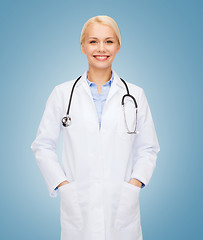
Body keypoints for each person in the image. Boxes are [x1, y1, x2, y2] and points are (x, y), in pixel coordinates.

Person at [31, 15, 160, 240]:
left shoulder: (135, 95)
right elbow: (42, 146)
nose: (101, 48)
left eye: (109, 41)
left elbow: (148, 149)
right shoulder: (62, 94)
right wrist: (63, 185)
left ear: (118, 46)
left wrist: (133, 185)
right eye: (93, 41)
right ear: (82, 46)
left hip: (122, 208)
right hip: (78, 208)